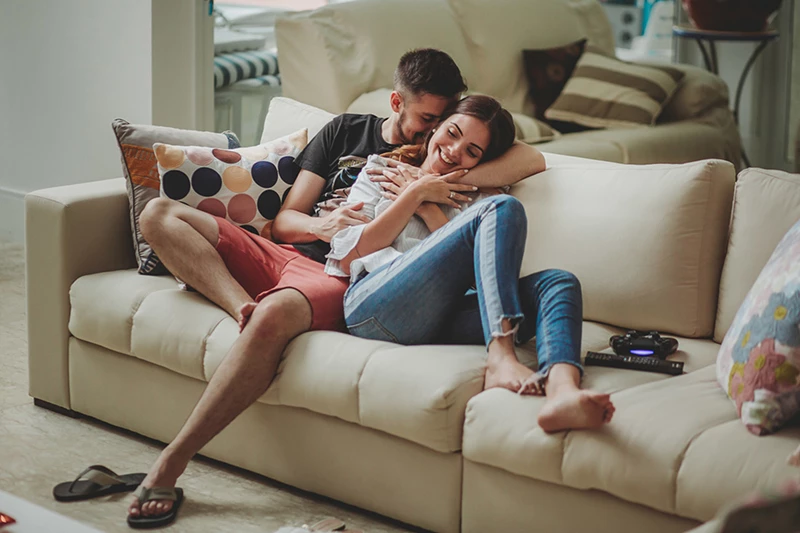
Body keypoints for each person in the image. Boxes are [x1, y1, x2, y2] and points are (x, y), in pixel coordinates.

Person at [128, 48, 545, 525]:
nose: (436, 135)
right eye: (430, 120)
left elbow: (528, 157)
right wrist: (323, 228)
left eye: (445, 122)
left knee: (277, 312)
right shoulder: (347, 132)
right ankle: (240, 307)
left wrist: (444, 178)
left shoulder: (436, 162)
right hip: (292, 248)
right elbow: (283, 221)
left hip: (335, 276)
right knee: (158, 213)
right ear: (396, 102)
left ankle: (172, 461)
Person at [326, 95, 615, 433]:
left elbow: (489, 287)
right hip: (374, 307)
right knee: (504, 208)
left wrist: (432, 208)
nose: (454, 151)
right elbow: (347, 258)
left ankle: (563, 392)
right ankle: (501, 357)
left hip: (441, 318)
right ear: (435, 127)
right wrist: (414, 194)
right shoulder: (383, 169)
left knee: (559, 282)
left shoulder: (479, 199)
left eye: (472, 151)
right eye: (452, 133)